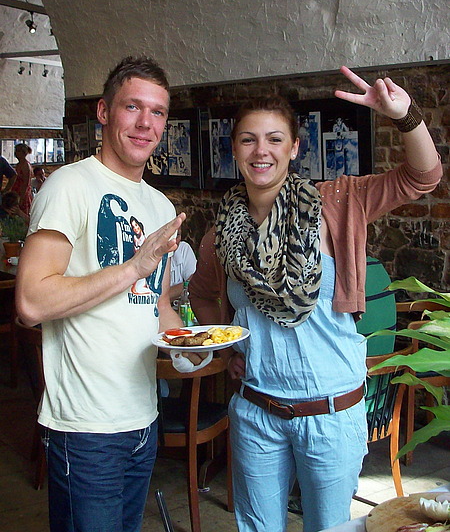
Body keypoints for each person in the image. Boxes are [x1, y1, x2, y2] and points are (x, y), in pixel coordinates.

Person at [189, 66, 442, 532]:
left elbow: (422, 177)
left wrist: (404, 116)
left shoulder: (339, 203)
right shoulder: (220, 235)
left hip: (331, 413)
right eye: (248, 140)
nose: (261, 151)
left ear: (294, 148)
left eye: (274, 139)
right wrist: (228, 350)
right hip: (256, 411)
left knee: (330, 528)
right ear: (234, 149)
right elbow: (202, 295)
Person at [15, 55, 190, 532]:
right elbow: (31, 302)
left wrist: (190, 347)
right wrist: (132, 266)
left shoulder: (159, 205)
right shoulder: (68, 185)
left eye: (157, 112)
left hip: (143, 417)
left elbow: (156, 304)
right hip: (85, 428)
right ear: (103, 111)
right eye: (132, 107)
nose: (145, 123)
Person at [169, 229, 197, 304]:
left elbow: (195, 284)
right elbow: (158, 298)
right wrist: (186, 285)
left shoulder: (184, 249)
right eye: (171, 235)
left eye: (177, 235)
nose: (174, 240)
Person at [11, 142, 33, 216]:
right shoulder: (18, 164)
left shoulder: (26, 165)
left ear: (23, 153)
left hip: (22, 193)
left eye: (18, 151)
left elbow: (26, 183)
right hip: (16, 191)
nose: (16, 153)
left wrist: (21, 198)